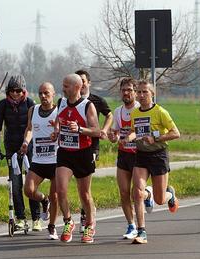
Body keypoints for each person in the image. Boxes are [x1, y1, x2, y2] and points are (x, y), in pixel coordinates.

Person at [120, 80, 180, 244]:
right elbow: (134, 131)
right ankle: (142, 232)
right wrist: (127, 139)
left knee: (160, 200)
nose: (140, 95)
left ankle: (170, 194)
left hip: (159, 155)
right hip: (141, 155)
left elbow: (176, 133)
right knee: (137, 192)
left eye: (144, 92)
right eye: (138, 92)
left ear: (152, 94)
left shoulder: (161, 112)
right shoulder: (136, 113)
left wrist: (156, 138)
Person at [51, 74, 100, 243]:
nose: (63, 89)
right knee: (60, 190)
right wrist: (56, 131)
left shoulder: (88, 106)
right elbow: (59, 120)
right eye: (63, 85)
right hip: (65, 152)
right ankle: (68, 221)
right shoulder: (61, 102)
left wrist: (80, 129)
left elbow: (96, 131)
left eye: (66, 86)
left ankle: (89, 226)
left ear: (77, 88)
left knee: (85, 195)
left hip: (83, 153)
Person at [0, 75, 41, 231]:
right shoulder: (3, 105)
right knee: (15, 183)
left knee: (30, 184)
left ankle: (36, 218)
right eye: (12, 90)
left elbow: (36, 127)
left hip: (29, 149)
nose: (15, 94)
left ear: (23, 90)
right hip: (12, 149)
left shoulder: (31, 104)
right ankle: (20, 218)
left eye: (18, 90)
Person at [108, 77, 149, 240]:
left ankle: (149, 194)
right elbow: (115, 132)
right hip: (123, 154)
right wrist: (113, 136)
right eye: (123, 90)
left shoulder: (140, 108)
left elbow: (141, 131)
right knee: (124, 191)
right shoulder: (118, 111)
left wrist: (130, 137)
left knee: (136, 192)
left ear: (135, 92)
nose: (126, 93)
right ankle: (131, 225)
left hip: (139, 154)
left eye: (129, 90)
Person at [75, 69, 113, 233]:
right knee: (79, 184)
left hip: (91, 146)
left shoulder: (96, 100)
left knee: (85, 186)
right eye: (78, 80)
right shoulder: (70, 101)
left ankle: (86, 216)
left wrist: (104, 129)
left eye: (83, 80)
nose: (81, 84)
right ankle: (88, 210)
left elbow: (109, 115)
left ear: (88, 83)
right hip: (74, 147)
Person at [21, 82, 59, 238]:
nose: (43, 96)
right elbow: (29, 128)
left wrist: (57, 134)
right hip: (38, 159)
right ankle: (44, 200)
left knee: (56, 195)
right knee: (28, 190)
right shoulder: (33, 110)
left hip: (56, 160)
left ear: (53, 94)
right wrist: (25, 142)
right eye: (41, 93)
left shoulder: (59, 111)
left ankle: (52, 226)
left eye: (46, 93)